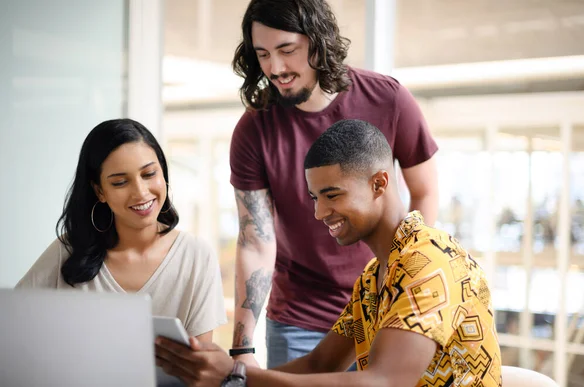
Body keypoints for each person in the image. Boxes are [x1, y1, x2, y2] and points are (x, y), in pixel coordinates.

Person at [155, 119, 501, 387]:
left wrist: (236, 377)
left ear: (379, 183)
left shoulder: (429, 261)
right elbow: (319, 364)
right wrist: (227, 372)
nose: (320, 213)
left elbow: (383, 382)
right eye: (315, 198)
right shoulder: (374, 277)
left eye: (332, 195)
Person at [229, 0, 439, 368]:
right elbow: (254, 241)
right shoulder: (254, 129)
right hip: (298, 320)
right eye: (262, 54)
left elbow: (424, 190)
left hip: (383, 309)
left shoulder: (387, 99)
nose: (274, 68)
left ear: (317, 40)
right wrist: (242, 349)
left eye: (287, 50)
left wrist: (404, 278)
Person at [16, 118, 227, 347]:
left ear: (163, 174)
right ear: (99, 191)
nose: (141, 192)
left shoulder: (196, 256)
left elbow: (202, 370)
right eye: (119, 182)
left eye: (149, 174)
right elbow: (13, 322)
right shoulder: (68, 251)